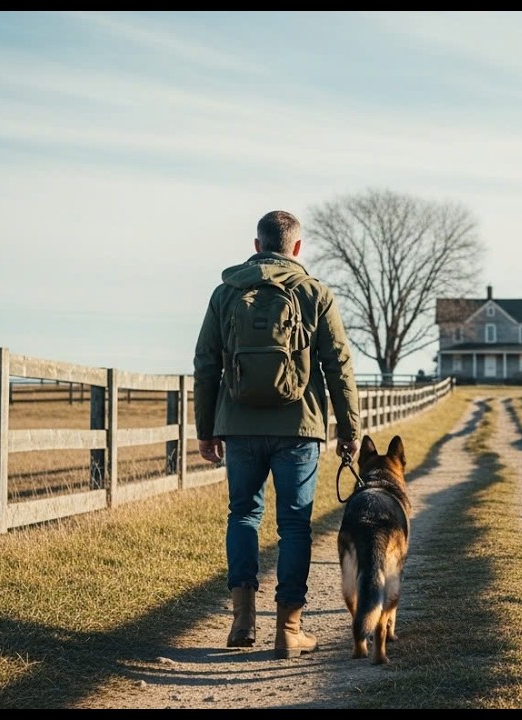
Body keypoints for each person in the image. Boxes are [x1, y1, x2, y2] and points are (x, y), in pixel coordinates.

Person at [193, 209, 361, 658]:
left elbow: (206, 364)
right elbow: (338, 366)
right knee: (294, 526)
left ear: (256, 245)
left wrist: (206, 429)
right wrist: (350, 429)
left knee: (243, 515)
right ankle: (288, 630)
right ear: (297, 248)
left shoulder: (225, 293)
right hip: (299, 426)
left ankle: (242, 620)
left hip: (240, 425)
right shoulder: (314, 293)